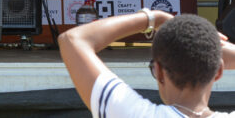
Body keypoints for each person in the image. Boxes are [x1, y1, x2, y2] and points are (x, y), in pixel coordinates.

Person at [59, 9, 235, 117]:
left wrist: (155, 18)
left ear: (158, 72)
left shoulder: (132, 113)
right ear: (219, 71)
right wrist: (211, 48)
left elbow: (72, 39)